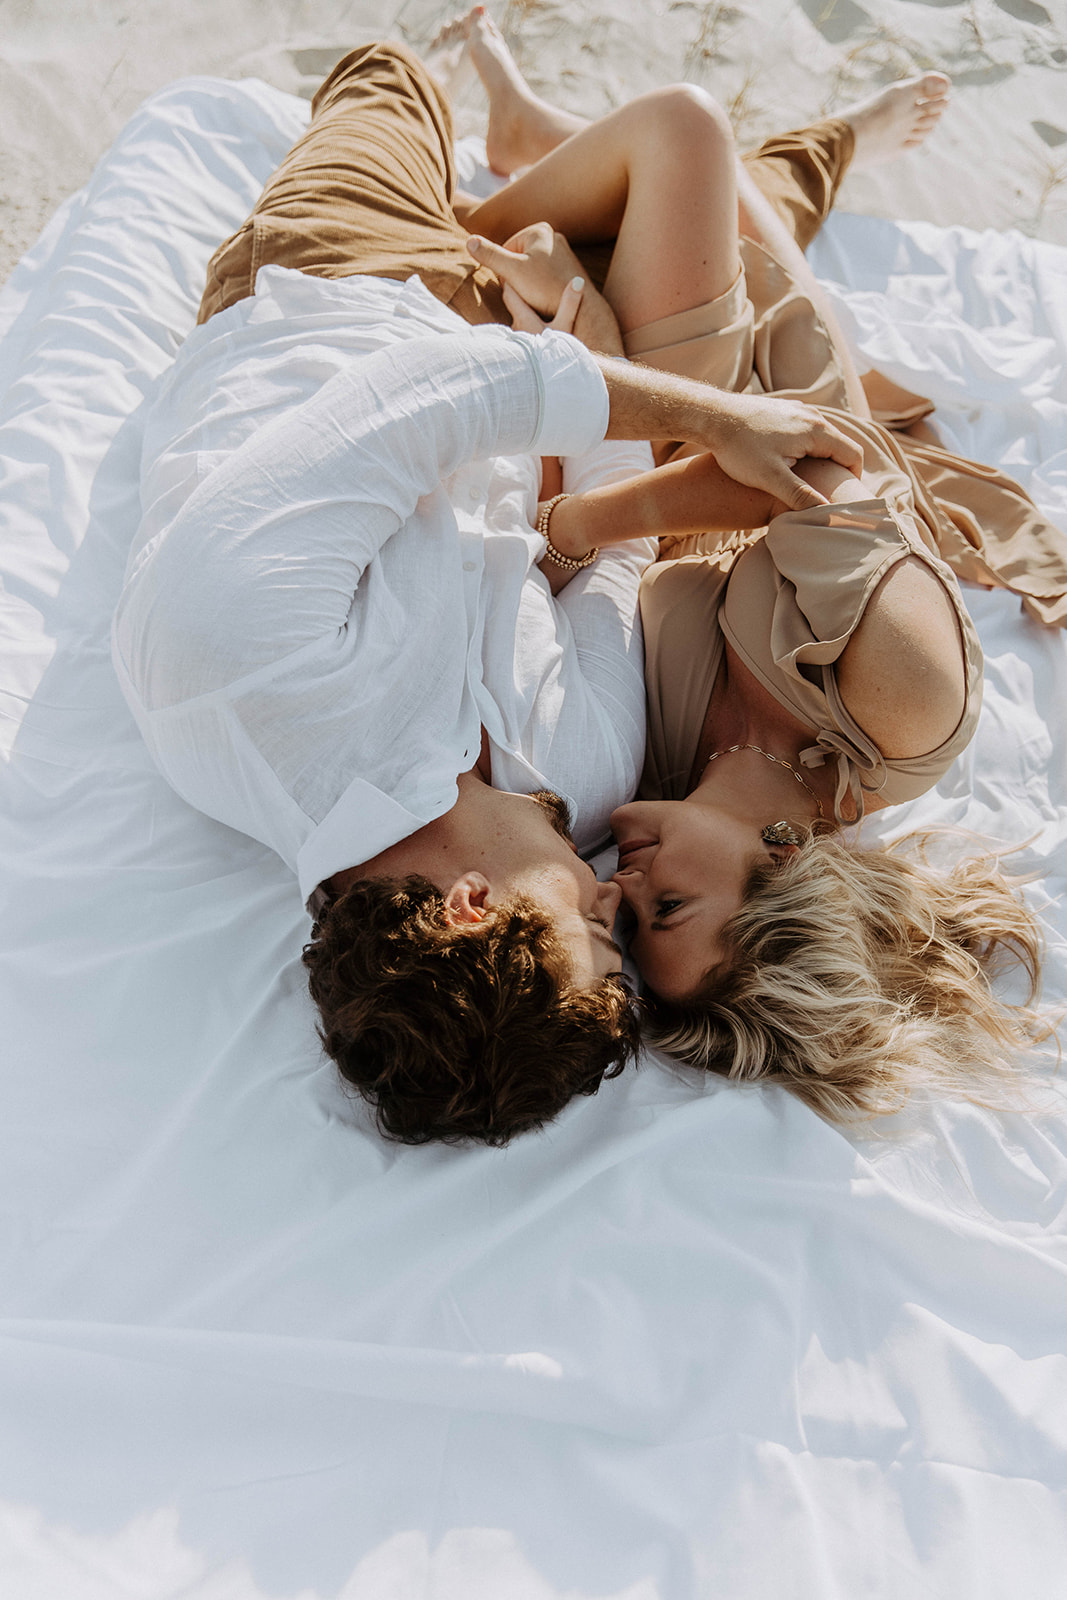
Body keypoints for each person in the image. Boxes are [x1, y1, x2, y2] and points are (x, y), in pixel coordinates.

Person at [112, 34, 863, 1145]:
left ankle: (499, 165)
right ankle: (613, 171)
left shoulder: (233, 675)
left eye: (598, 929)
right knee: (688, 146)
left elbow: (419, 394)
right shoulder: (583, 781)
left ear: (472, 909)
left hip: (343, 283)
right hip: (535, 364)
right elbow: (614, 554)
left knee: (386, 75)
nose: (616, 893)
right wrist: (585, 330)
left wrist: (712, 421)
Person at [431, 10, 1057, 1119]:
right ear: (784, 867)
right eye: (664, 908)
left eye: (625, 920)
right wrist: (583, 516)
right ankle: (481, 199)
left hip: (675, 470)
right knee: (686, 136)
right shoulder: (898, 703)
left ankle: (548, 145)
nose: (618, 886)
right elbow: (809, 456)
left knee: (655, 223)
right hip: (762, 429)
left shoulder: (654, 783)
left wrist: (602, 372)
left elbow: (563, 594)